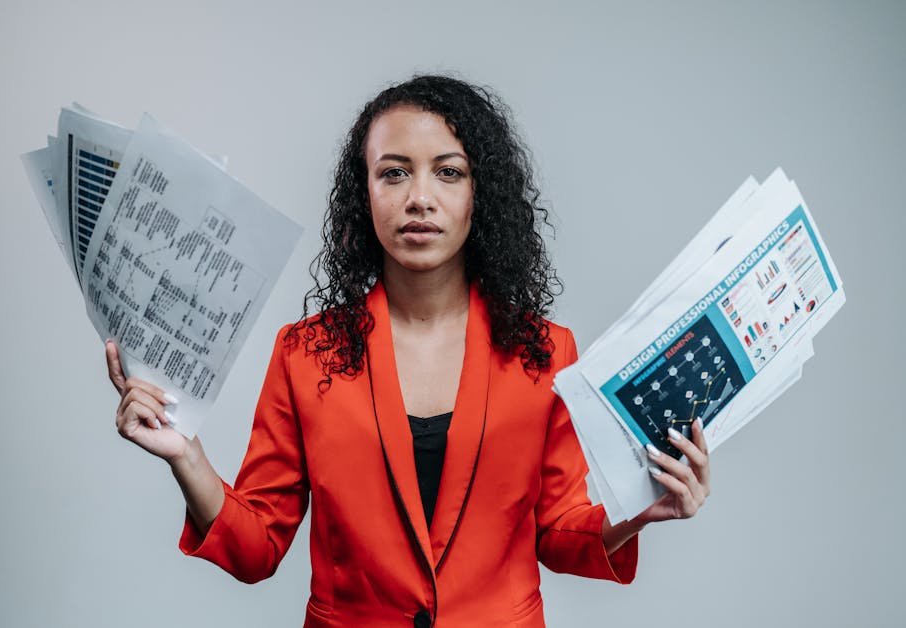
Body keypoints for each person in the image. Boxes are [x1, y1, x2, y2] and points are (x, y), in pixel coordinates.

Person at [106, 75, 710, 627]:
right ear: (363, 194)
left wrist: (639, 511)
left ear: (482, 192)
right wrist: (182, 453)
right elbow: (257, 547)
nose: (419, 198)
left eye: (448, 172)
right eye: (394, 173)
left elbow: (558, 532)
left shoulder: (545, 353)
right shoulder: (305, 354)